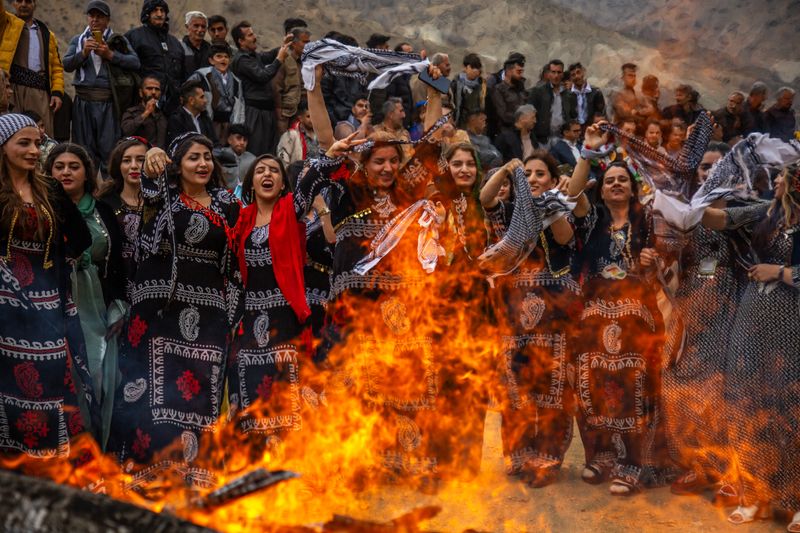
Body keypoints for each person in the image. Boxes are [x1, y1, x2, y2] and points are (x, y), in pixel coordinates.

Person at [108, 133, 241, 481]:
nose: (202, 164)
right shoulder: (161, 194)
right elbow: (150, 181)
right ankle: (147, 474)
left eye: (207, 157)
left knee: (200, 393)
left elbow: (233, 263)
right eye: (193, 157)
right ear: (178, 164)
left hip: (210, 313)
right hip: (158, 312)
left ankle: (196, 476)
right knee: (149, 393)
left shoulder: (227, 203)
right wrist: (153, 152)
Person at [566, 121, 674, 495]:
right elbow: (575, 190)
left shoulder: (648, 220)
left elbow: (669, 264)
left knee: (635, 387)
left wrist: (651, 260)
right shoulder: (592, 218)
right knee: (592, 385)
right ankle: (602, 455)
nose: (615, 184)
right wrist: (589, 149)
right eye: (609, 179)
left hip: (638, 319)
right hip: (594, 316)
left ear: (632, 188)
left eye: (622, 180)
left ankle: (634, 461)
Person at [701, 164, 800, 529]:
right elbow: (718, 220)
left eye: (783, 177)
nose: (775, 181)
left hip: (793, 322)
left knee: (791, 408)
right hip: (752, 318)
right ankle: (754, 495)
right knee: (747, 403)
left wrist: (781, 272)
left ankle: (795, 501)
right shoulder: (764, 212)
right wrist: (689, 199)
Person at [480, 152, 578, 487]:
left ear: (552, 180)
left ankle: (548, 458)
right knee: (515, 387)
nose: (534, 179)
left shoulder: (558, 207)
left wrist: (546, 203)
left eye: (541, 174)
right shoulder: (509, 212)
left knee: (551, 388)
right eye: (530, 174)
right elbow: (485, 198)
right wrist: (509, 168)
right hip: (512, 309)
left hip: (553, 311)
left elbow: (564, 238)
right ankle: (518, 454)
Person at [0, 113, 94, 458]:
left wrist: (56, 263)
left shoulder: (49, 188)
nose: (33, 150)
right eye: (23, 143)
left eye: (37, 143)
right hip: (4, 305)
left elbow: (80, 239)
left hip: (47, 305)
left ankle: (45, 464)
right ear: (3, 147)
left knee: (49, 381)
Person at [656, 142, 739, 498]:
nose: (709, 173)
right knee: (679, 388)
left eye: (717, 167)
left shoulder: (745, 210)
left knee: (721, 393)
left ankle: (731, 473)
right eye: (705, 168)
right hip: (689, 310)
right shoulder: (685, 212)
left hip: (731, 310)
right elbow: (673, 259)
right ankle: (697, 465)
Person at [46, 143, 126, 449]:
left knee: (98, 379)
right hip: (53, 305)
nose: (66, 172)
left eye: (74, 166)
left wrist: (118, 306)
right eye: (59, 166)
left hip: (98, 309)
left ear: (86, 173)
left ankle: (93, 454)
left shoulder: (103, 210)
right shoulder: (42, 207)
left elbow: (117, 262)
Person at [62, 0, 141, 177]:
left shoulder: (117, 40)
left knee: (110, 152)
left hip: (108, 104)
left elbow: (135, 62)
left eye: (100, 16)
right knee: (83, 153)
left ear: (107, 20)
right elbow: (66, 64)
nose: (95, 20)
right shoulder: (79, 40)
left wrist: (110, 55)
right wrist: (83, 53)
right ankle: (86, 196)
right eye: (92, 16)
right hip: (83, 103)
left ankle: (109, 195)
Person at [97, 136, 149, 302]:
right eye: (127, 160)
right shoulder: (104, 203)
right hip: (115, 286)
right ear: (118, 166)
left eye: (141, 159)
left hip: (152, 285)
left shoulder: (162, 202)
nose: (134, 166)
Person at [4, 0, 64, 136]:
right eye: (19, 1)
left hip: (40, 93)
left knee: (42, 134)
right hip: (12, 90)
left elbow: (56, 67)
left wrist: (57, 93)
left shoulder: (47, 34)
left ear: (34, 5)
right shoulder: (6, 25)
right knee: (12, 134)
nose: (24, 4)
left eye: (28, 1)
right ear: (13, 4)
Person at [231, 21, 290, 156]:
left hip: (266, 113)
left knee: (269, 151)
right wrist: (280, 59)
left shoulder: (254, 56)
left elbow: (268, 56)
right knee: (256, 152)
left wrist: (284, 45)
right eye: (250, 35)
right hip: (255, 114)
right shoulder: (242, 60)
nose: (255, 37)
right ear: (241, 41)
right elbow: (262, 76)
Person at [125, 0, 184, 113]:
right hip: (142, 102)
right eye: (155, 10)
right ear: (147, 13)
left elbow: (181, 74)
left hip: (171, 104)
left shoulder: (175, 42)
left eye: (162, 11)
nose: (159, 14)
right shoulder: (134, 36)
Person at [187, 42, 245, 141]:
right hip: (208, 120)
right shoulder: (202, 75)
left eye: (226, 57)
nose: (223, 59)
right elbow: (187, 90)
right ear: (211, 60)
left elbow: (240, 104)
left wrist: (238, 127)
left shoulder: (236, 81)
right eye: (219, 56)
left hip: (228, 124)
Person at [527, 59, 576, 145]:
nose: (556, 75)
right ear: (548, 73)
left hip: (563, 138)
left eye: (559, 72)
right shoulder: (538, 92)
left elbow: (572, 115)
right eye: (553, 72)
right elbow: (531, 115)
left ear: (562, 74)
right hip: (543, 139)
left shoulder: (569, 95)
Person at [273, 26, 310, 135]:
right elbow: (276, 86)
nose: (307, 45)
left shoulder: (309, 63)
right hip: (287, 112)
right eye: (304, 42)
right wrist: (279, 109)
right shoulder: (285, 60)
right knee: (285, 141)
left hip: (303, 112)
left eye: (309, 42)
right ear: (294, 44)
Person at [120, 76, 168, 149]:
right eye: (149, 88)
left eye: (157, 89)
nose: (153, 92)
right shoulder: (131, 112)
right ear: (140, 93)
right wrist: (146, 113)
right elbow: (126, 131)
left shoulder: (163, 115)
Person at [166, 79, 218, 145]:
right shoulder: (177, 119)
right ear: (191, 100)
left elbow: (215, 142)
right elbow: (179, 146)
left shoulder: (205, 118)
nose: (205, 101)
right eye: (202, 97)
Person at [489, 54, 527, 135]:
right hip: (506, 133)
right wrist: (521, 119)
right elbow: (503, 115)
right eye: (518, 72)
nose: (521, 75)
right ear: (509, 71)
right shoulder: (498, 90)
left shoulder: (521, 89)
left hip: (523, 131)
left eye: (521, 72)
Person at [214, 123, 255, 193]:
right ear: (229, 140)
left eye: (245, 140)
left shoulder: (252, 159)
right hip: (223, 195)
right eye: (238, 138)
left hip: (244, 196)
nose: (242, 142)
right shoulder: (220, 156)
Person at [277, 101, 320, 166]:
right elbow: (283, 159)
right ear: (300, 118)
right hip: (299, 173)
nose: (312, 119)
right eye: (308, 116)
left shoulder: (321, 133)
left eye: (314, 116)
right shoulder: (291, 135)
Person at [451, 53, 485, 129]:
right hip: (460, 123)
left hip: (477, 125)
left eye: (477, 67)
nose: (475, 70)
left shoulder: (482, 85)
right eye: (472, 67)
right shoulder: (456, 84)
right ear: (465, 68)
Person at [569, 62, 605, 126]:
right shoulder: (567, 95)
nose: (577, 76)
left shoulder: (596, 92)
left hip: (593, 128)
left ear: (584, 72)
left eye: (578, 72)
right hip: (574, 131)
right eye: (573, 75)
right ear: (570, 78)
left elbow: (601, 114)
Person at [181, 11, 209, 77]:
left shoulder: (210, 49)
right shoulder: (179, 48)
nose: (200, 30)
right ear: (187, 26)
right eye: (196, 26)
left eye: (203, 26)